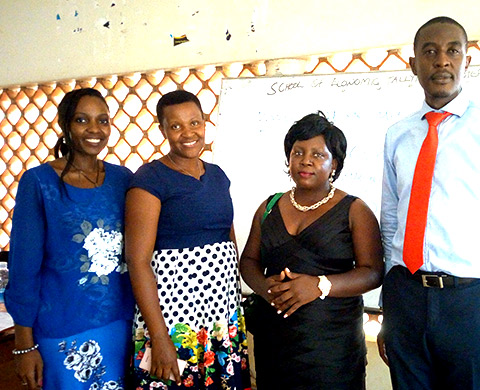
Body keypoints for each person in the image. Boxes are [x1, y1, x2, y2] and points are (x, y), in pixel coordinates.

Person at [378, 16, 480, 390]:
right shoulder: (397, 135)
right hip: (406, 299)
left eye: (453, 51)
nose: (442, 61)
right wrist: (391, 311)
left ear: (467, 62)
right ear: (413, 65)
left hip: (473, 304)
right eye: (430, 52)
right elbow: (391, 223)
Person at [239, 112, 383, 390]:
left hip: (331, 346)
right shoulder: (268, 207)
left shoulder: (355, 210)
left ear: (334, 165)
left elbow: (373, 273)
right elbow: (249, 261)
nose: (306, 160)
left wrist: (320, 285)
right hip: (275, 340)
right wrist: (264, 288)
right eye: (298, 152)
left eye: (318, 154)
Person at [4, 88, 134, 390]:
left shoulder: (123, 179)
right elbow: (24, 268)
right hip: (62, 327)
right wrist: (24, 344)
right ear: (66, 125)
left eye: (103, 121)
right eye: (82, 120)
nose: (94, 129)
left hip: (122, 323)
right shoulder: (39, 182)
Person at [125, 90, 250, 390]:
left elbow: (226, 236)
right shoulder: (150, 179)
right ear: (163, 130)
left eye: (194, 122)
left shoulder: (218, 176)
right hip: (173, 318)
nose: (188, 133)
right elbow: (137, 261)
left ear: (205, 124)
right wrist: (159, 337)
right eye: (176, 126)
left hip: (220, 314)